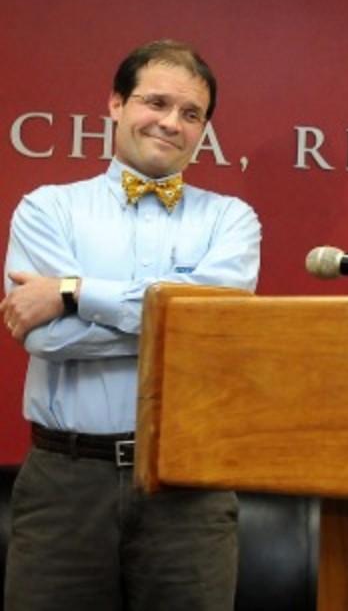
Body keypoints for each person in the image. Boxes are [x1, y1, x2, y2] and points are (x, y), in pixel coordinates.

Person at [2, 39, 262, 610]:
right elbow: (47, 338)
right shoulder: (47, 209)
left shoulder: (231, 220)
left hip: (188, 486)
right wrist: (176, 326)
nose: (171, 123)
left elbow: (214, 328)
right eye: (156, 102)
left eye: (191, 114)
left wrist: (74, 292)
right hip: (66, 484)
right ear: (117, 103)